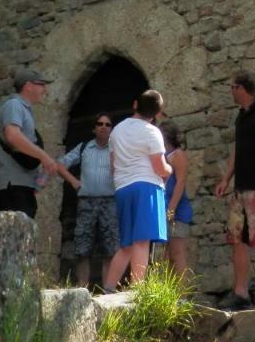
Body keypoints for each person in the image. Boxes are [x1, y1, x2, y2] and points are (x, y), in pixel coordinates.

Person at [214, 71, 255, 309]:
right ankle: (240, 292)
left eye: (233, 87)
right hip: (240, 190)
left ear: (243, 89)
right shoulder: (240, 117)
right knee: (236, 240)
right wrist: (226, 178)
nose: (230, 92)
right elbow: (237, 150)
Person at [104, 91, 171, 292]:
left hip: (123, 188)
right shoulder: (152, 132)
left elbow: (113, 165)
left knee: (127, 244)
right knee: (142, 241)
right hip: (146, 186)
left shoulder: (116, 131)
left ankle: (108, 287)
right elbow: (160, 168)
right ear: (157, 113)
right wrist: (170, 169)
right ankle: (137, 293)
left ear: (135, 104)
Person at [0, 68, 77, 218]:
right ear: (28, 85)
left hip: (21, 186)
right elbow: (12, 135)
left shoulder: (22, 109)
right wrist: (44, 157)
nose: (45, 89)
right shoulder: (14, 105)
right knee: (14, 239)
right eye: (41, 84)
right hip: (13, 187)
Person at [61, 113, 118, 287]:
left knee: (110, 249)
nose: (103, 126)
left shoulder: (117, 149)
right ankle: (82, 289)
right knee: (82, 248)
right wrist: (73, 181)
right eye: (99, 123)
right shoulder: (83, 147)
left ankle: (108, 291)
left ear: (112, 129)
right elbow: (60, 164)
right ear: (94, 128)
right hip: (86, 203)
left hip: (110, 203)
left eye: (107, 124)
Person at [160, 120, 193, 277]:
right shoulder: (162, 156)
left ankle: (183, 295)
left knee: (177, 252)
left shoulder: (178, 155)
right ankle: (169, 294)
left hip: (177, 211)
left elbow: (180, 182)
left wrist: (171, 209)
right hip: (164, 207)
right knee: (165, 255)